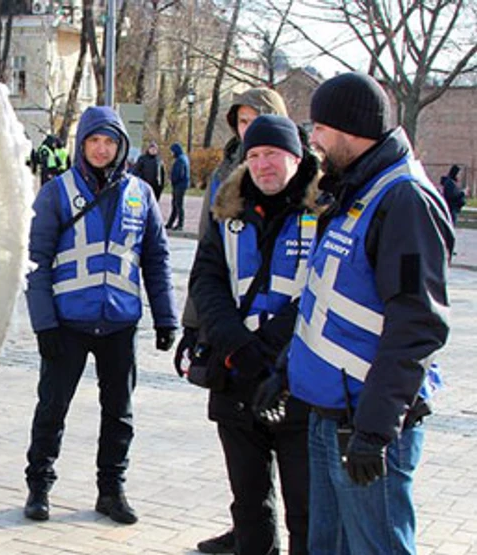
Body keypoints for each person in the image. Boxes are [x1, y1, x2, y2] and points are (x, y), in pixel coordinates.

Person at [286, 72, 452, 554]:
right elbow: (328, 299)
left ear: (351, 129)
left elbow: (416, 326)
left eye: (320, 127)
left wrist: (375, 431)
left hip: (366, 426)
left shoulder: (403, 199)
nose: (312, 138)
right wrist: (285, 371)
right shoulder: (353, 187)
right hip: (330, 414)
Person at [22, 105, 178, 525]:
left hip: (120, 324)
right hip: (67, 324)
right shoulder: (56, 192)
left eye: (110, 141)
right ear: (82, 145)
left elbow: (157, 259)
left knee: (120, 413)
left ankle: (111, 490)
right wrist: (43, 323)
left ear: (121, 145)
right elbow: (34, 261)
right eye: (94, 140)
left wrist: (166, 318)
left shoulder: (140, 193)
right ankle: (39, 486)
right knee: (52, 409)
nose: (102, 149)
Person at [190, 115, 319, 555]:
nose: (263, 165)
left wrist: (266, 351)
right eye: (255, 155)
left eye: (274, 154)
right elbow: (206, 280)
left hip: (297, 380)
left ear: (297, 158)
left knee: (305, 507)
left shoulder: (325, 212)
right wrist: (237, 346)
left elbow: (320, 294)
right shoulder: (228, 209)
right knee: (249, 504)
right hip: (236, 374)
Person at [177, 87, 289, 555]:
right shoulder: (226, 175)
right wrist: (196, 327)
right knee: (246, 476)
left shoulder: (313, 191)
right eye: (242, 124)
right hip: (232, 346)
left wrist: (267, 346)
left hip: (286, 360)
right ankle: (247, 534)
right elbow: (208, 265)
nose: (248, 134)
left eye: (258, 122)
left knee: (295, 482)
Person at [165, 142, 190, 229]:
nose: (171, 153)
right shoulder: (183, 158)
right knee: (175, 204)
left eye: (172, 151)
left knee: (178, 205)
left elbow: (179, 173)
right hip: (180, 185)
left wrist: (173, 181)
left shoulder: (180, 160)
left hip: (179, 185)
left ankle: (180, 224)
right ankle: (170, 223)